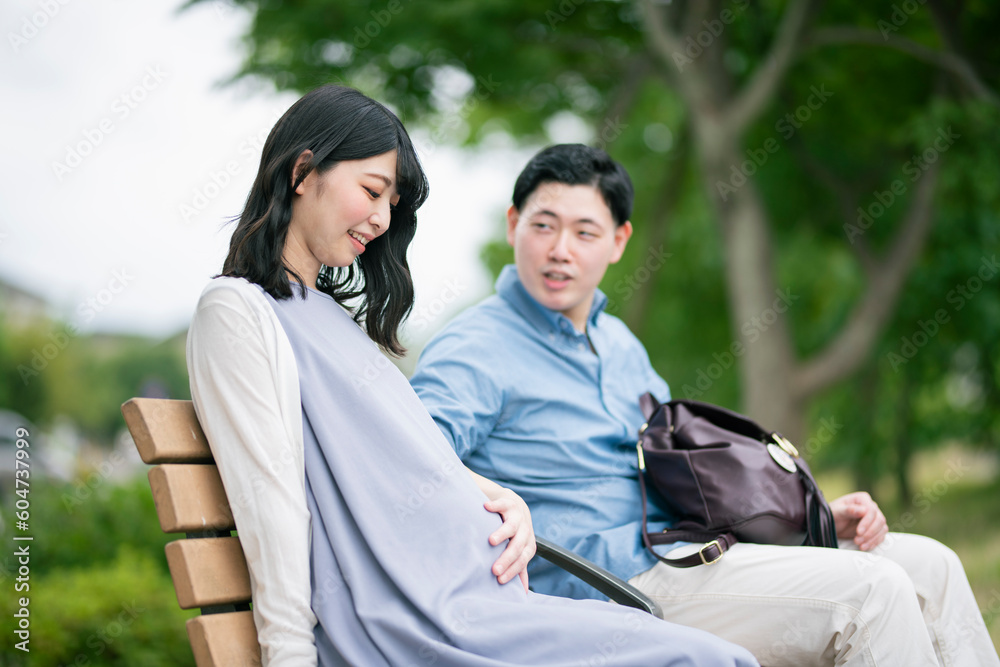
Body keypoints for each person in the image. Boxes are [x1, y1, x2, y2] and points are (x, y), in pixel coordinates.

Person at [186, 86, 758, 667]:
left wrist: (494, 494)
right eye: (372, 192)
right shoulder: (239, 312)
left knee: (715, 657)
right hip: (428, 621)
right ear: (304, 171)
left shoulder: (331, 316)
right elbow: (272, 502)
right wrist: (289, 658)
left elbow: (402, 456)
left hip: (481, 596)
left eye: (392, 203)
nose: (383, 220)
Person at [410, 143, 1000, 667]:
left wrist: (801, 516)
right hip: (607, 580)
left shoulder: (618, 343)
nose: (560, 250)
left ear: (618, 242)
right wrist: (496, 499)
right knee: (873, 592)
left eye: (585, 232)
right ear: (514, 223)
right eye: (543, 225)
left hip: (687, 546)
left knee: (932, 565)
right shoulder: (474, 349)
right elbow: (410, 459)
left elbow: (687, 474)